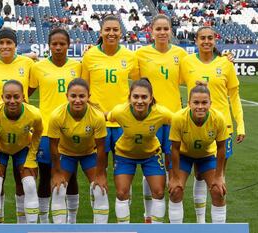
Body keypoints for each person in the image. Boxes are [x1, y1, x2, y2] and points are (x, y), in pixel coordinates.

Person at [180, 26, 245, 223]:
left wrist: (240, 124)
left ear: (214, 40)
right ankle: (201, 222)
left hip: (222, 128)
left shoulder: (226, 63)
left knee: (218, 177)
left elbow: (234, 96)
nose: (206, 41)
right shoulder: (186, 62)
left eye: (210, 38)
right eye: (202, 38)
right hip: (195, 126)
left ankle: (217, 221)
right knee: (199, 174)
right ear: (196, 41)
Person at [135, 14, 188, 223]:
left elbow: (194, 72)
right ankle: (148, 215)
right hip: (152, 119)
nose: (163, 32)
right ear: (151, 31)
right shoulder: (141, 54)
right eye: (159, 29)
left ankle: (169, 213)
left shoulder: (181, 54)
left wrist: (223, 56)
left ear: (171, 30)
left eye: (166, 28)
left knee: (171, 165)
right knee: (150, 165)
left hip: (174, 118)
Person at [0, 27, 35, 223]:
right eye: (1, 43)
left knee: (24, 182)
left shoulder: (27, 63)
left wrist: (22, 103)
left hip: (22, 129)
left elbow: (34, 85)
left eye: (8, 42)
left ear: (15, 45)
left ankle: (22, 226)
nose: (5, 46)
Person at [29, 28, 82, 224]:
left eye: (62, 44)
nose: (58, 47)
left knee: (71, 175)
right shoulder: (39, 67)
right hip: (45, 129)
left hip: (71, 129)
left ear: (68, 45)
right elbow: (26, 94)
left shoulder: (77, 67)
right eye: (54, 44)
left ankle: (72, 220)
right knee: (45, 176)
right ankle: (44, 220)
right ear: (49, 46)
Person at [106, 79, 174, 223]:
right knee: (121, 192)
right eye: (135, 96)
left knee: (159, 192)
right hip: (125, 155)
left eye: (144, 97)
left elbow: (179, 121)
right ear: (129, 98)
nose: (140, 101)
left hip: (151, 155)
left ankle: (154, 229)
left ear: (151, 98)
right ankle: (124, 230)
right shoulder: (120, 111)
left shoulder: (161, 113)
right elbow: (106, 116)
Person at [48, 78, 109, 224]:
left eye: (82, 96)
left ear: (88, 96)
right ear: (67, 96)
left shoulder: (97, 116)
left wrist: (100, 174)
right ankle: (61, 229)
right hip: (66, 154)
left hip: (89, 154)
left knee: (100, 191)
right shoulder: (57, 116)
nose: (77, 100)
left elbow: (101, 147)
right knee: (58, 190)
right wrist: (56, 172)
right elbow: (53, 147)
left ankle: (99, 229)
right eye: (73, 96)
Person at [168, 82, 229, 223]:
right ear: (189, 103)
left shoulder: (218, 118)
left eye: (204, 102)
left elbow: (221, 148)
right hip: (184, 156)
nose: (200, 106)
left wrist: (219, 176)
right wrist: (175, 177)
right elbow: (175, 149)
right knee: (175, 190)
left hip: (206, 156)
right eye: (196, 102)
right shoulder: (178, 118)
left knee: (218, 191)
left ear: (210, 103)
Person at [0, 80, 43, 224]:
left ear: (23, 97)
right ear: (2, 97)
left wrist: (31, 158)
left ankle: (26, 227)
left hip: (22, 148)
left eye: (16, 97)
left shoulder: (34, 114)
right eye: (8, 97)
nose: (12, 101)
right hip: (0, 149)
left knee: (29, 184)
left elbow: (38, 133)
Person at [81, 15, 139, 158]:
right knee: (98, 167)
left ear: (120, 33)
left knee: (123, 165)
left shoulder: (130, 56)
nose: (111, 33)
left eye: (115, 30)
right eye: (107, 29)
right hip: (98, 119)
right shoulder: (90, 56)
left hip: (122, 119)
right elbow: (84, 88)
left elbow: (139, 86)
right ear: (100, 32)